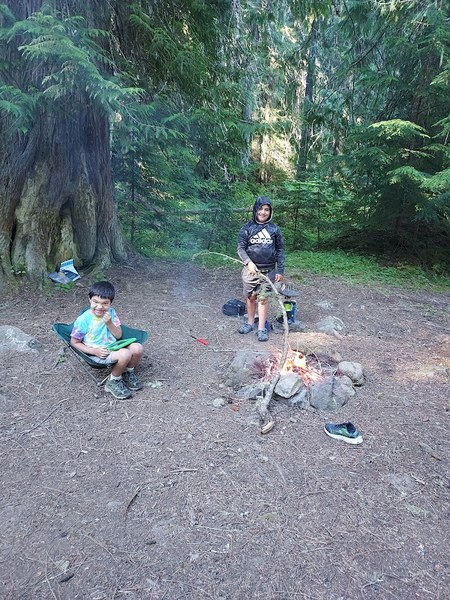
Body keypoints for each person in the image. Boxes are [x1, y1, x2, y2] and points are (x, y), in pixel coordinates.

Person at [70, 281, 144, 399]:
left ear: (110, 303)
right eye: (96, 302)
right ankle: (113, 381)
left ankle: (127, 372)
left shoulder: (111, 313)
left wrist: (109, 323)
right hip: (98, 352)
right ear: (90, 300)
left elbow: (118, 335)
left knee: (138, 348)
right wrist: (94, 351)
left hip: (114, 345)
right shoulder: (83, 320)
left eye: (105, 303)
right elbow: (74, 342)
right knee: (125, 354)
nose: (100, 307)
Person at [237, 195, 285, 342]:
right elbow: (241, 248)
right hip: (250, 271)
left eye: (266, 209)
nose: (263, 212)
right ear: (255, 210)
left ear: (270, 212)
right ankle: (250, 323)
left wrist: (280, 270)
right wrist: (248, 262)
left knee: (263, 299)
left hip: (268, 271)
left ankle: (261, 328)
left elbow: (280, 250)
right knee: (251, 297)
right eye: (260, 209)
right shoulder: (247, 228)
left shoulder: (274, 229)